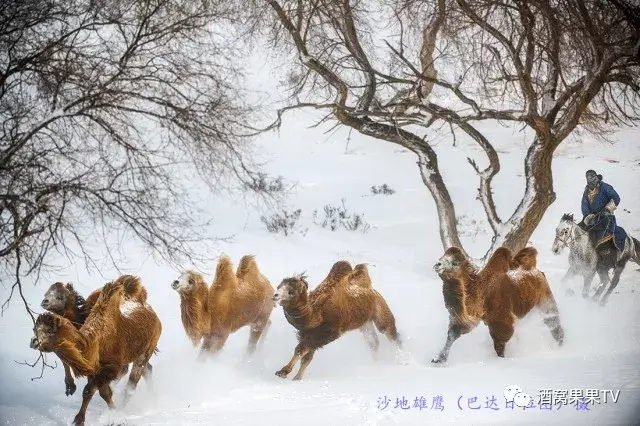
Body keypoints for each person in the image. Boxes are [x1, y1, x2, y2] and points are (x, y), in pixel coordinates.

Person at [580, 169, 625, 253]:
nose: (590, 180)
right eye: (588, 178)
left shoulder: (605, 187)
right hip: (592, 218)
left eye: (592, 178)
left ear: (596, 177)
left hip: (606, 217)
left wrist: (607, 209)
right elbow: (584, 204)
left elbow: (616, 198)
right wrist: (587, 216)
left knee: (603, 235)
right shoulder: (586, 191)